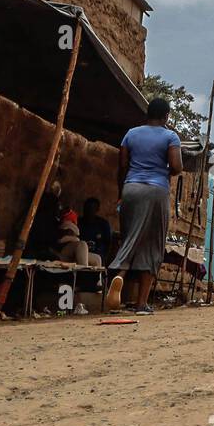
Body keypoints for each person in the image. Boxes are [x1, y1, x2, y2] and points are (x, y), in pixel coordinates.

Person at [107, 98, 182, 314]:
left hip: (131, 188)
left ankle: (119, 275)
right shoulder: (170, 136)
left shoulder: (131, 133)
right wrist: (165, 171)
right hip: (156, 191)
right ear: (166, 116)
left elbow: (122, 166)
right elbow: (177, 166)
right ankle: (141, 304)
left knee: (130, 238)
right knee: (152, 245)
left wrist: (121, 193)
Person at [78, 197, 112, 263]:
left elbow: (108, 243)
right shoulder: (78, 223)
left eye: (91, 209)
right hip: (81, 256)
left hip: (98, 256)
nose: (88, 211)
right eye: (87, 208)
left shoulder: (103, 224)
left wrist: (105, 258)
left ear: (97, 210)